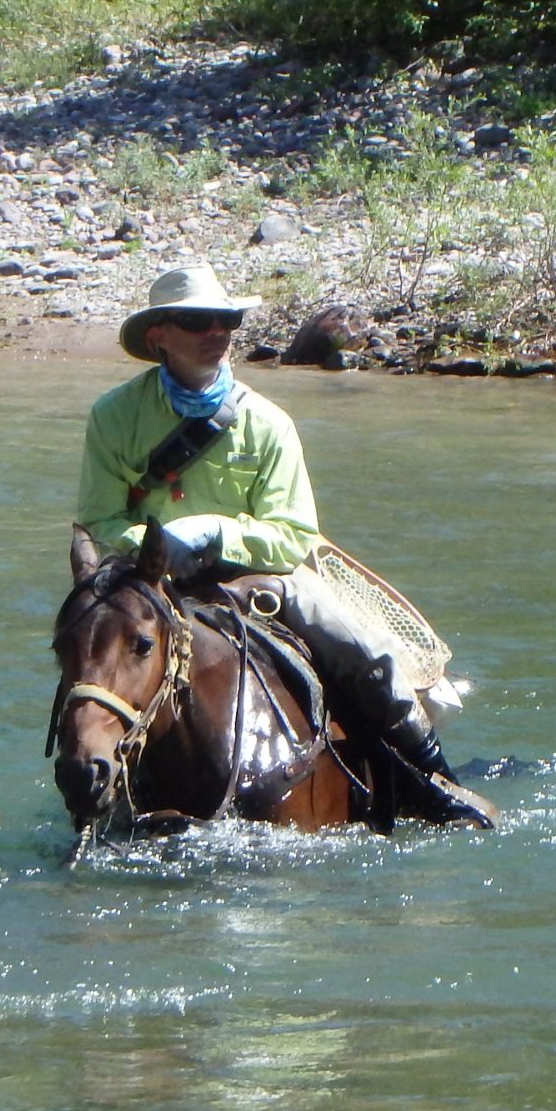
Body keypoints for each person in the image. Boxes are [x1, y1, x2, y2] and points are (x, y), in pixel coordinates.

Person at [75, 263, 496, 828]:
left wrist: (214, 534)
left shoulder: (268, 423)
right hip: (147, 578)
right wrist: (153, 550)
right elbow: (99, 518)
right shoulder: (113, 415)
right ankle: (86, 778)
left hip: (257, 574)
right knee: (86, 660)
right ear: (159, 335)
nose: (217, 332)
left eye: (227, 320)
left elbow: (292, 535)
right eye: (199, 321)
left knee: (363, 650)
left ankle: (434, 781)